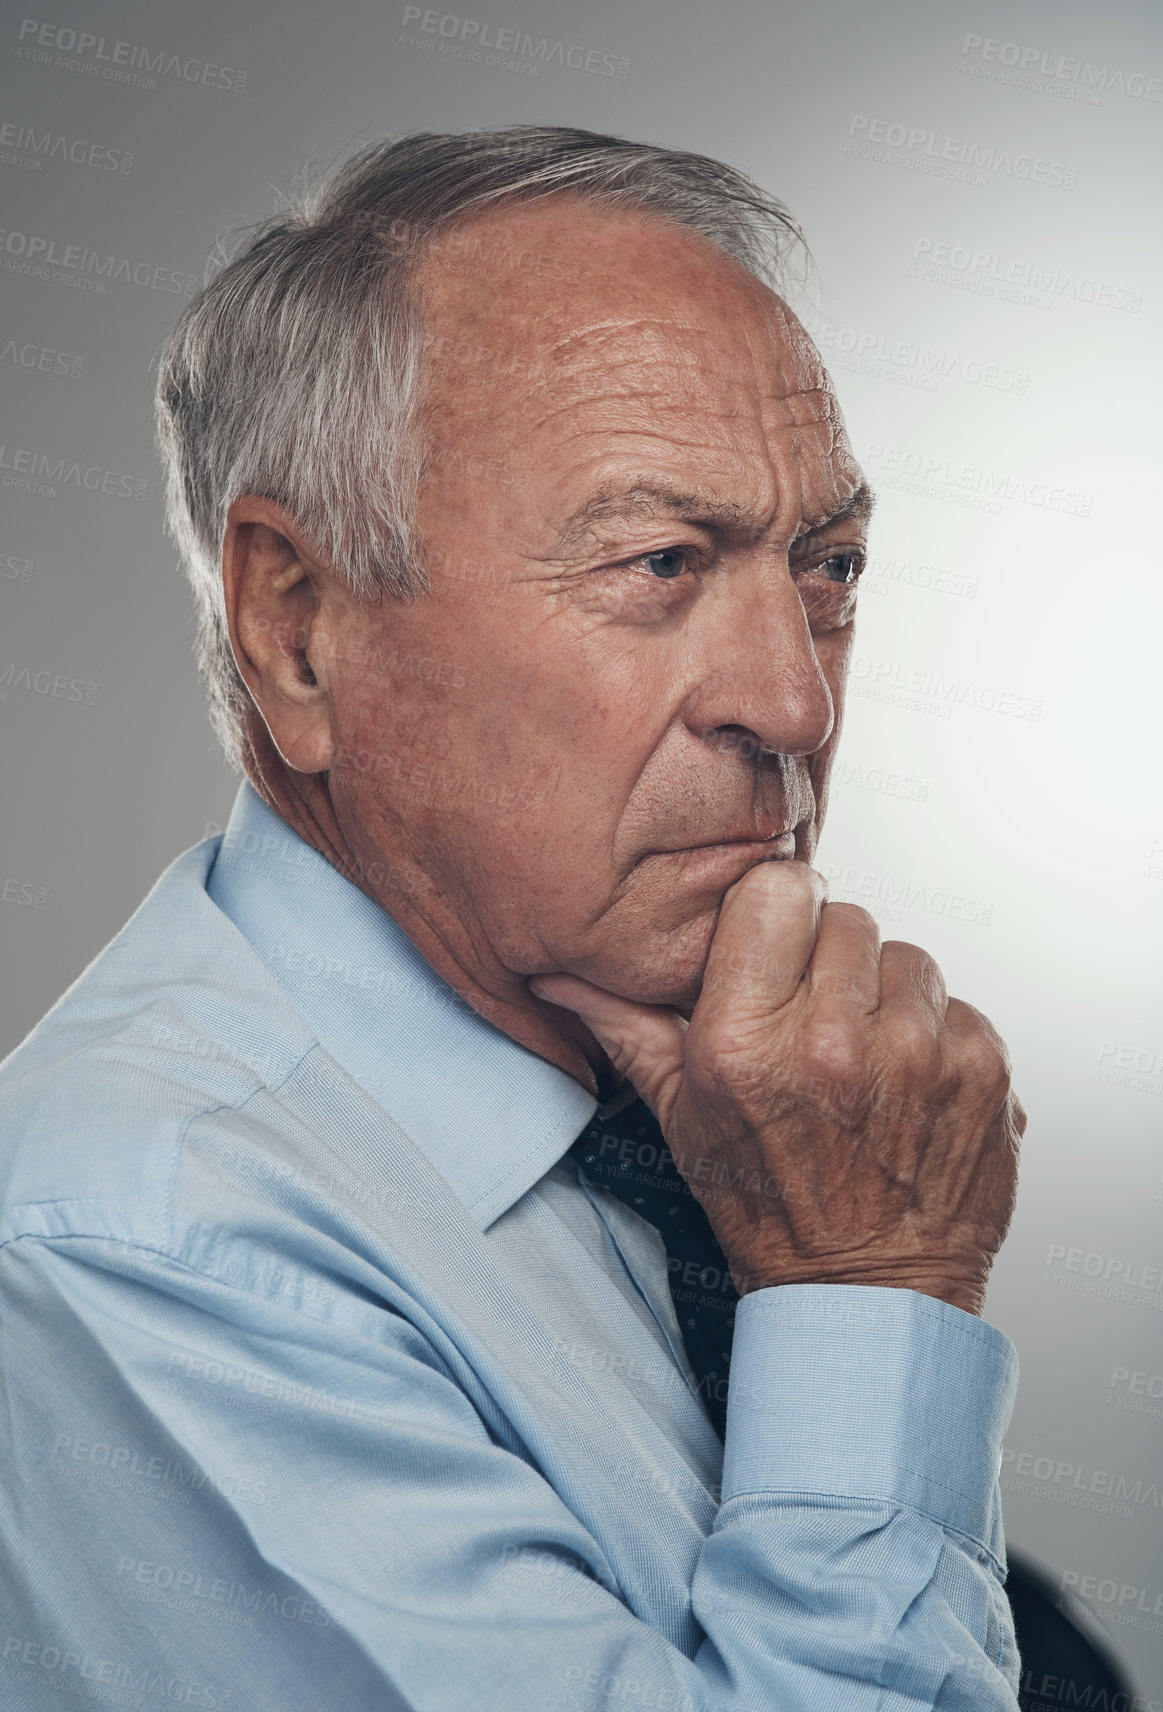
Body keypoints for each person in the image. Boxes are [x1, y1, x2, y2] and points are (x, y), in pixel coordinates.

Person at [0, 127, 1026, 1710]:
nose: (792, 698)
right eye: (659, 561)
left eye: (827, 567)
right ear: (296, 629)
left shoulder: (704, 1107)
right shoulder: (150, 1244)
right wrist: (874, 1296)